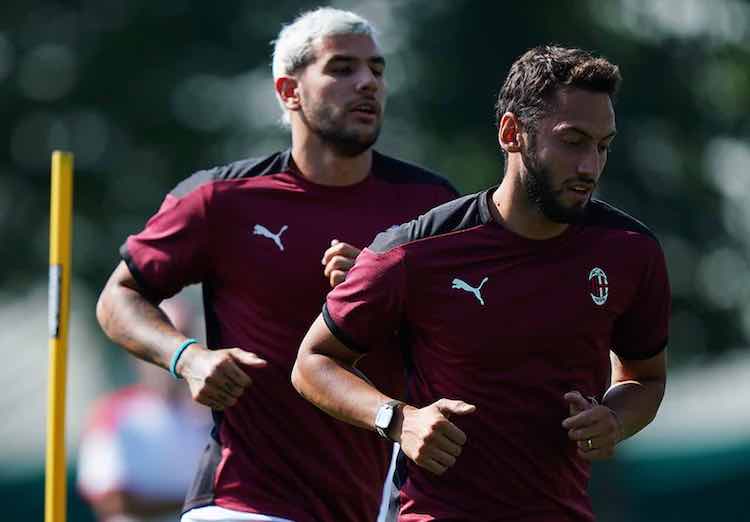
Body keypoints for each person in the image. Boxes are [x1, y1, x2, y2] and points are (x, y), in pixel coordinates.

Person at [96, 7, 458, 522]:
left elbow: (462, 331)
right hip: (241, 500)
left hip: (378, 502)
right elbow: (119, 297)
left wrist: (382, 290)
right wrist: (187, 357)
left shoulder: (431, 204)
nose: (367, 83)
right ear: (289, 91)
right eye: (342, 68)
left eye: (376, 70)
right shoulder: (221, 200)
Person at [293, 45, 671, 521]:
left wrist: (615, 418)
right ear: (512, 133)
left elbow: (645, 378)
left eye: (602, 146)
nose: (589, 167)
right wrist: (398, 419)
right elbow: (313, 361)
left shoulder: (631, 251)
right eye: (572, 141)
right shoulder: (414, 250)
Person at [78, 297, 211, 522]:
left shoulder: (207, 417)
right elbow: (110, 501)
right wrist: (198, 503)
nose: (178, 353)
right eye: (167, 338)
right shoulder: (114, 412)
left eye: (186, 337)